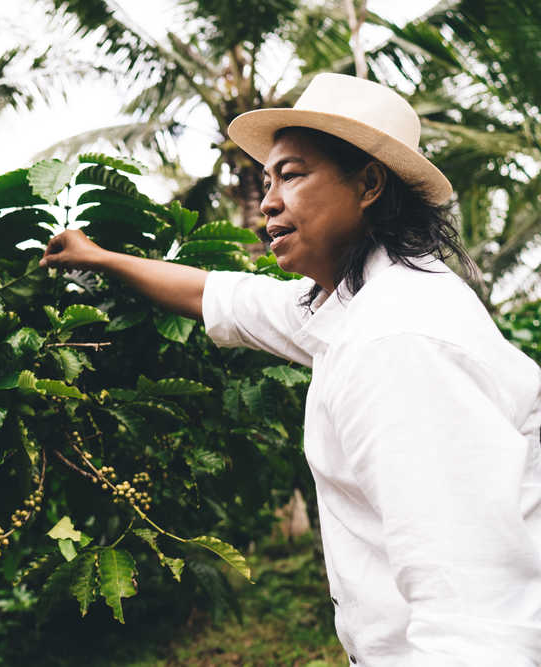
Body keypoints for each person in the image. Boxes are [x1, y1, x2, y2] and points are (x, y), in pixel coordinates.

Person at [40, 73, 541, 665]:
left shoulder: (397, 339)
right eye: (268, 179)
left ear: (370, 183)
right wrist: (97, 257)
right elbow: (220, 295)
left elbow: (475, 616)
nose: (269, 201)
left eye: (293, 175)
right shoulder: (357, 302)